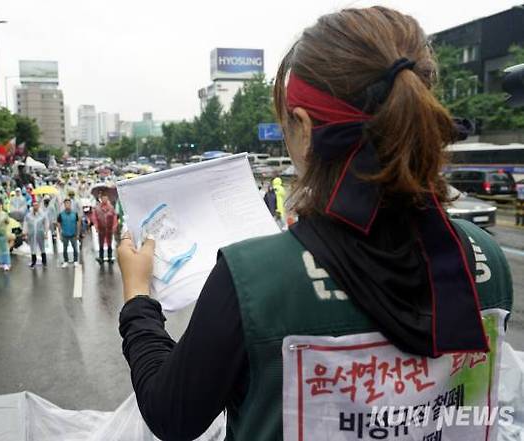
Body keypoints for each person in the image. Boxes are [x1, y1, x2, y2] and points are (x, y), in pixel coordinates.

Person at [116, 7, 513, 440]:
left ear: (303, 128)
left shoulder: (253, 279)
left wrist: (138, 298)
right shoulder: (484, 256)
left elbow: (172, 416)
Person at [23, 201, 49, 268]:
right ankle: (33, 262)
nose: (35, 207)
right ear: (32, 206)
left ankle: (44, 262)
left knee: (42, 247)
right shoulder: (28, 215)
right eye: (34, 205)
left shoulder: (42, 214)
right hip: (31, 234)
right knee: (32, 248)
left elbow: (46, 223)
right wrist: (25, 233)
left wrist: (46, 232)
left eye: (37, 205)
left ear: (39, 206)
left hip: (40, 233)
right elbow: (25, 224)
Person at [93, 195, 118, 264]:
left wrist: (114, 226)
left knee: (109, 243)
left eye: (106, 198)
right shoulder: (97, 208)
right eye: (103, 198)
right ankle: (101, 257)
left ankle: (109, 257)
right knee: (101, 243)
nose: (104, 199)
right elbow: (94, 218)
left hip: (109, 228)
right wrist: (96, 226)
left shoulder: (111, 207)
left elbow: (115, 217)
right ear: (101, 199)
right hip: (101, 228)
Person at [56, 199, 80, 268]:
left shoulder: (74, 214)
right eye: (66, 204)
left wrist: (78, 233)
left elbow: (78, 223)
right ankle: (66, 261)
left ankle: (75, 261)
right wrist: (60, 233)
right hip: (65, 234)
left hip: (73, 234)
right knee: (65, 248)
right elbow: (58, 223)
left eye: (69, 203)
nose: (67, 205)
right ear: (64, 205)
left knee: (75, 248)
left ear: (70, 204)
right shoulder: (61, 214)